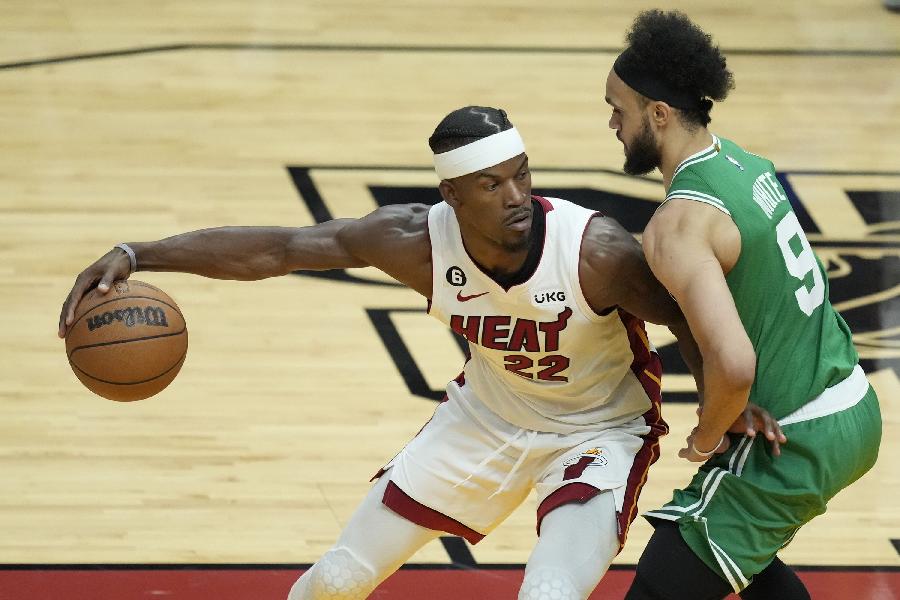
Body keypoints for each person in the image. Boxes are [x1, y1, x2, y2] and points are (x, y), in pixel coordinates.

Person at [58, 106, 776, 600]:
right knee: (338, 578)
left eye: (523, 174)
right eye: (493, 185)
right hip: (485, 419)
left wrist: (736, 401)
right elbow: (278, 248)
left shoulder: (594, 252)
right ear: (452, 196)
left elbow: (690, 315)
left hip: (599, 433)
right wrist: (137, 252)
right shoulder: (411, 243)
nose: (517, 196)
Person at [603, 10, 884, 600]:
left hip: (799, 431)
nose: (611, 124)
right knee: (740, 564)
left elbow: (734, 364)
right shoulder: (744, 164)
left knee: (665, 577)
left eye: (619, 109)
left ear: (658, 114)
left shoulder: (678, 223)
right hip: (847, 400)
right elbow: (742, 310)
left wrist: (706, 438)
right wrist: (730, 403)